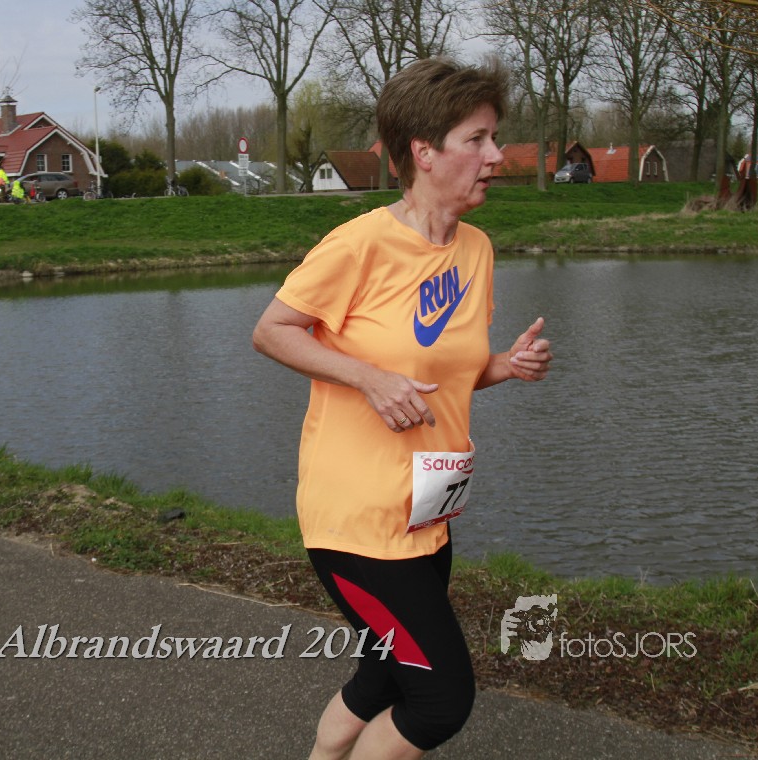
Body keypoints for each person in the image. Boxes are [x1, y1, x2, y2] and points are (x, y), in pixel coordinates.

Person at [252, 57, 553, 760]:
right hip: (358, 522)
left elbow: (446, 373)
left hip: (426, 512)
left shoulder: (475, 250)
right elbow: (271, 330)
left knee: (383, 673)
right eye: (477, 139)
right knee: (441, 699)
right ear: (424, 152)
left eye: (494, 138)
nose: (496, 156)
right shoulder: (360, 244)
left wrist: (505, 365)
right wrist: (366, 377)